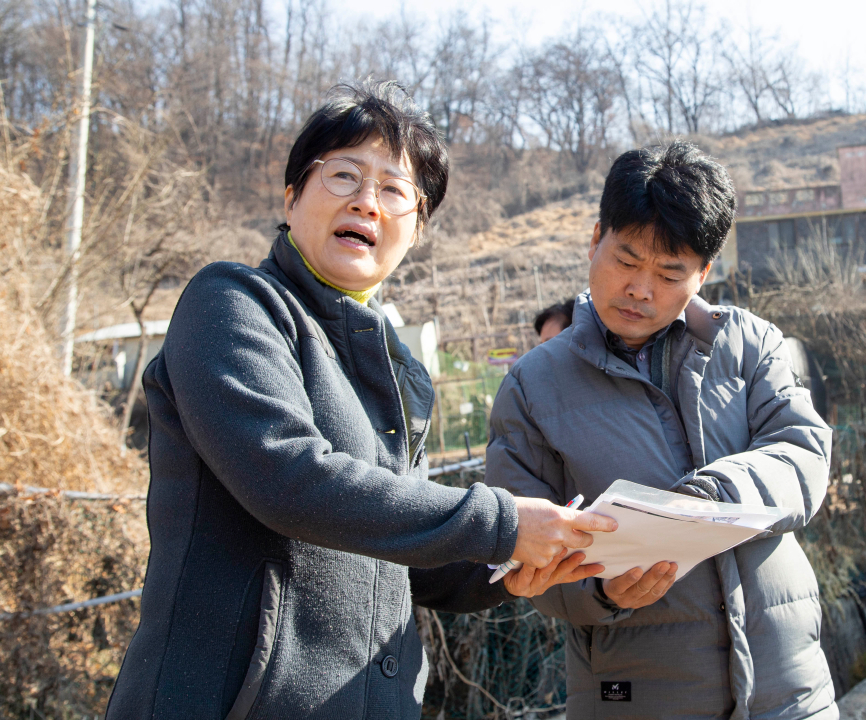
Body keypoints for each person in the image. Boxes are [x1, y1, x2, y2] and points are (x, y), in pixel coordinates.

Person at [105, 81, 615, 720]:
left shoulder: (404, 373)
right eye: (344, 175)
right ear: (292, 197)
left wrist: (511, 568)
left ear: (417, 227)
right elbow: (287, 476)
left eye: (395, 190)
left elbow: (409, 562)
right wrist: (504, 523)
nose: (368, 202)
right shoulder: (234, 304)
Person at [486, 142, 836, 719]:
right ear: (595, 238)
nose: (640, 290)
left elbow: (803, 452)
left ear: (703, 273)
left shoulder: (749, 345)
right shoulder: (532, 387)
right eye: (625, 260)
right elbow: (522, 552)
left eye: (670, 272)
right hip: (637, 694)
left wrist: (712, 498)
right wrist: (599, 591)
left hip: (788, 689)